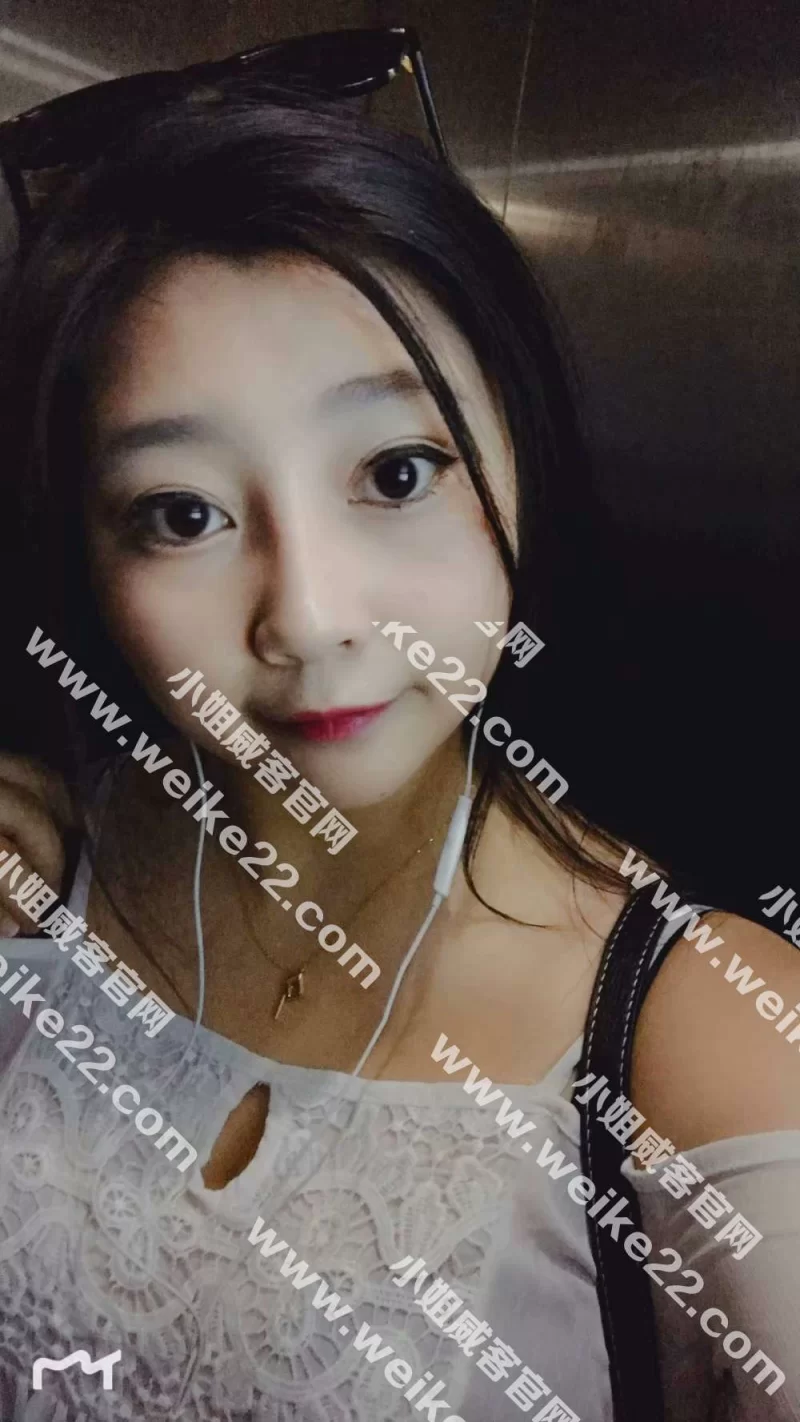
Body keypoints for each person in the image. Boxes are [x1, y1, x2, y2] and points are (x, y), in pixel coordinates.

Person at [0, 80, 798, 1422]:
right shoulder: (46, 872)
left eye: (397, 473)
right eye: (182, 513)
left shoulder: (705, 1036)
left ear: (521, 459)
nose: (310, 618)